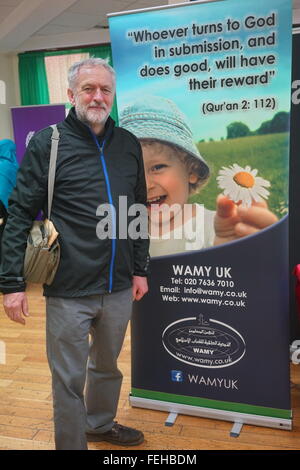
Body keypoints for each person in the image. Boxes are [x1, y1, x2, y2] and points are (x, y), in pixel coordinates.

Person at [0, 58, 149, 450]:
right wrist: (12, 284)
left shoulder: (128, 143)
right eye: (88, 89)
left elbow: (138, 208)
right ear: (71, 95)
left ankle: (99, 426)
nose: (97, 96)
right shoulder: (49, 142)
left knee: (106, 368)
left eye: (105, 90)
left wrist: (140, 269)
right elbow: (18, 213)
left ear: (112, 97)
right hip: (67, 288)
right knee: (67, 379)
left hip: (118, 285)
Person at [120, 95, 278, 257]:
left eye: (157, 167)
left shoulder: (218, 229)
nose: (145, 185)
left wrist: (246, 252)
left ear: (192, 171)